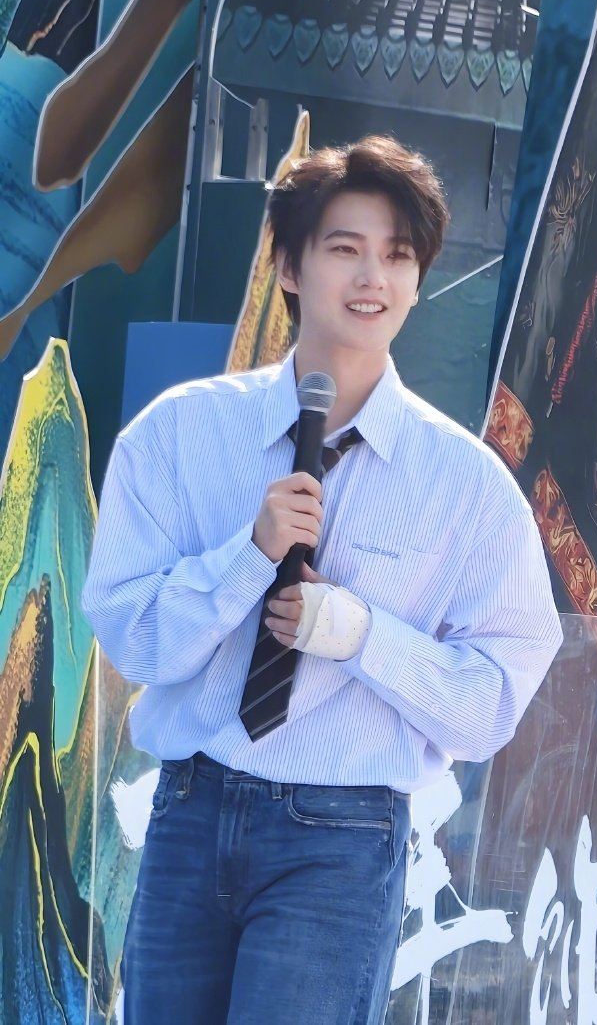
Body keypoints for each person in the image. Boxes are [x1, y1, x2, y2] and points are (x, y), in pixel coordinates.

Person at [82, 134, 563, 1025]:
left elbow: (494, 701)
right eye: (346, 248)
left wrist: (362, 635)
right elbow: (132, 641)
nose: (373, 276)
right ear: (290, 267)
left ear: (417, 282)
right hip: (190, 810)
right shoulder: (177, 436)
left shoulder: (467, 486)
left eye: (398, 255)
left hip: (341, 840)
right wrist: (246, 559)